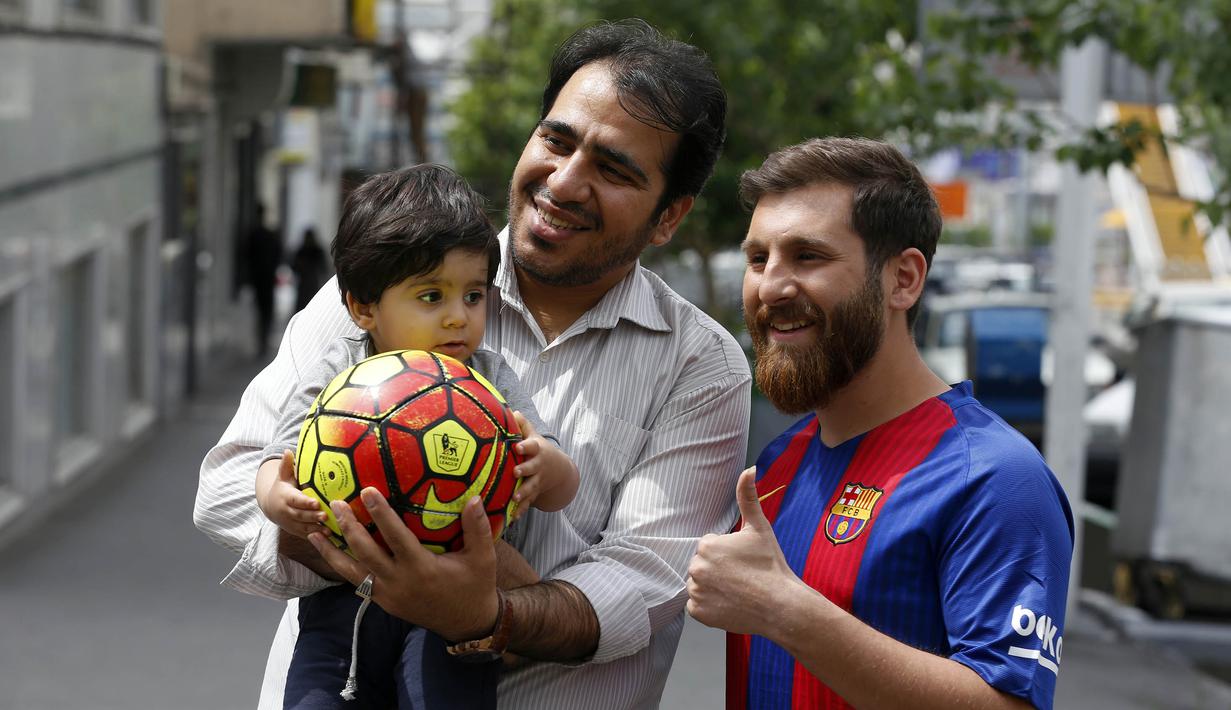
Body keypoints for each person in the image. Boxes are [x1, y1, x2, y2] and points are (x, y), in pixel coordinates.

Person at [194, 19, 752, 710]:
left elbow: (640, 585)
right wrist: (366, 541)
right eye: (557, 139)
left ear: (668, 217)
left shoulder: (702, 367)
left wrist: (484, 612)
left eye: (613, 170)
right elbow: (225, 488)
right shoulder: (384, 287)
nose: (565, 181)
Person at [685, 137, 1073, 710]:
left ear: (904, 279)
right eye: (758, 258)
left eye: (808, 256)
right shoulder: (779, 462)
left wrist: (786, 610)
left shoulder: (994, 477)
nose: (770, 286)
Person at [254, 164, 579, 708]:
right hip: (342, 606)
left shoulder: (489, 379)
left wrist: (544, 464)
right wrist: (278, 499)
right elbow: (275, 460)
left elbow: (560, 485)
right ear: (363, 307)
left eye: (473, 297)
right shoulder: (340, 369)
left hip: (455, 613)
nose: (459, 319)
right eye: (432, 297)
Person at [247, 203, 282, 358]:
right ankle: (263, 341)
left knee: (262, 312)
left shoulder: (257, 235)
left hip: (261, 279)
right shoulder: (266, 235)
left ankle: (262, 342)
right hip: (265, 279)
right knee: (265, 312)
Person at [290, 226, 330, 313]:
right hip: (306, 284)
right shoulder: (303, 251)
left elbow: (324, 268)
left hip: (311, 283)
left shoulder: (315, 251)